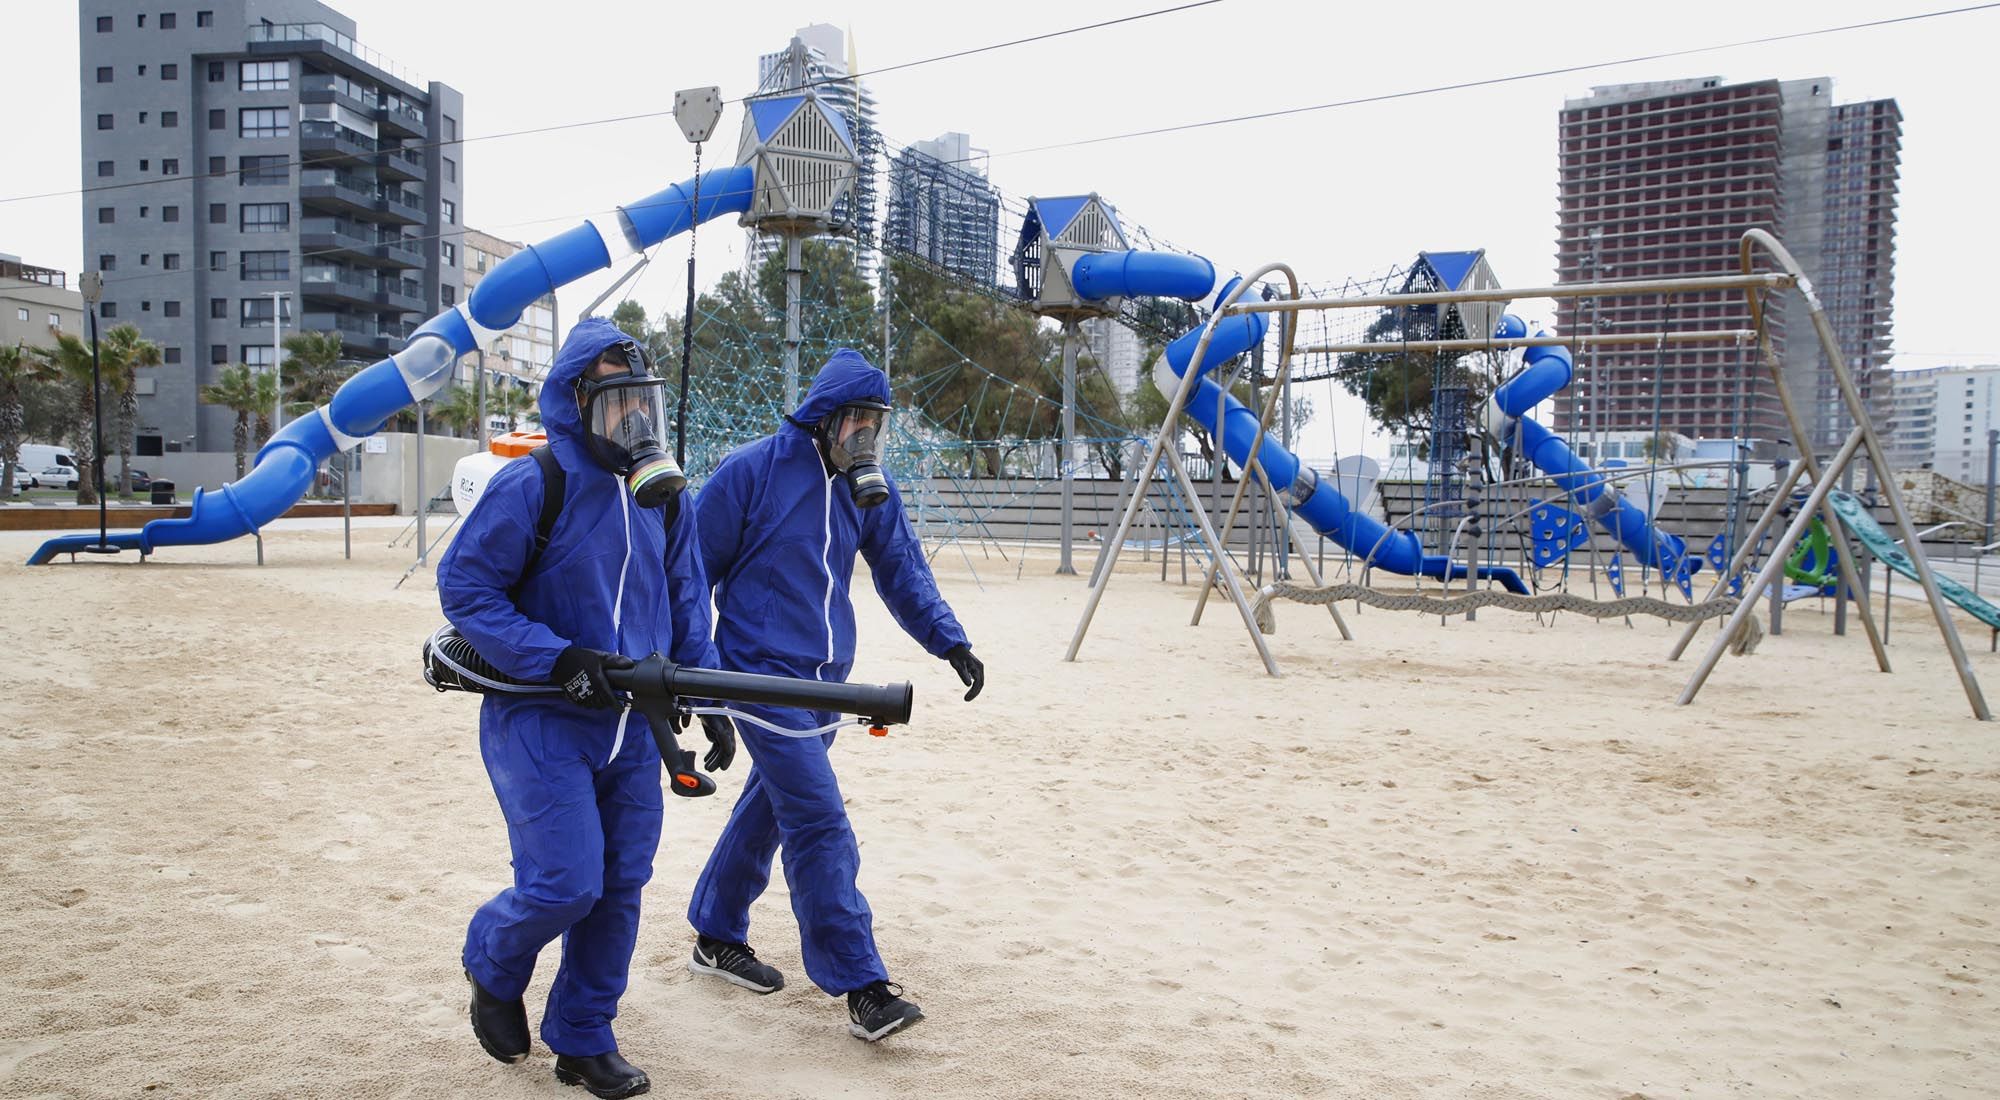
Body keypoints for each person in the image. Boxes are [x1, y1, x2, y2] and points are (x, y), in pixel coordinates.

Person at [436, 318, 731, 1099]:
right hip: (542, 718)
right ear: (577, 401)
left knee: (622, 880)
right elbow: (467, 591)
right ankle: (492, 962)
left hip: (636, 727)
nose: (635, 419)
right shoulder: (537, 483)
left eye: (646, 402)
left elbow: (686, 602)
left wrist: (710, 698)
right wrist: (558, 658)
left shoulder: (667, 499)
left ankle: (582, 1036)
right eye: (617, 401)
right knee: (566, 882)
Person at [683, 347, 984, 1042]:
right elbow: (688, 574)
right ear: (825, 417)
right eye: (859, 422)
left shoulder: (866, 486)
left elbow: (901, 565)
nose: (868, 437)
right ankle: (863, 986)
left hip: (830, 683)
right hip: (756, 674)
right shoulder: (750, 473)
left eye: (879, 423)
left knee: (771, 807)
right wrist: (697, 682)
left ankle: (714, 932)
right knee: (819, 820)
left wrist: (950, 640)